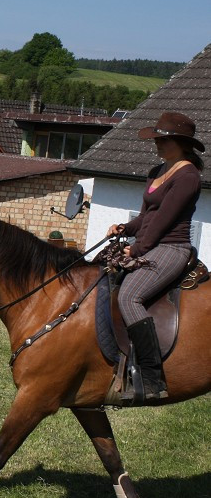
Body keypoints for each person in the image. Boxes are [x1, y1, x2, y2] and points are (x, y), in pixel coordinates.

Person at [106, 111, 204, 401]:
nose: (157, 145)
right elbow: (146, 218)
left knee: (129, 297)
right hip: (151, 243)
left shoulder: (188, 176)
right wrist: (125, 228)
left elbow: (163, 221)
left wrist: (136, 249)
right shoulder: (157, 171)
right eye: (157, 139)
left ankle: (151, 379)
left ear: (181, 143)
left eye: (164, 140)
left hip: (173, 248)